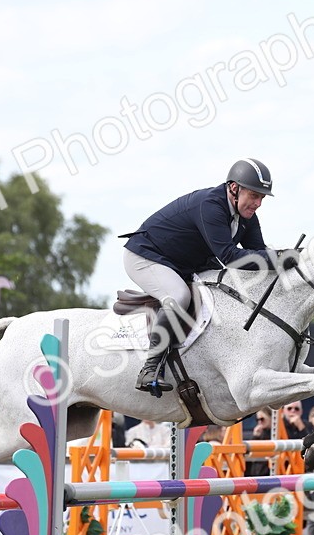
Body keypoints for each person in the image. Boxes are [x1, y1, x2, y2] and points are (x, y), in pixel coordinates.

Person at [121, 158, 293, 394]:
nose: (258, 203)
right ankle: (150, 369)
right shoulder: (211, 205)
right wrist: (279, 258)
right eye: (254, 195)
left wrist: (287, 257)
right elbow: (230, 257)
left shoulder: (247, 217)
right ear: (234, 188)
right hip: (146, 257)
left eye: (262, 197)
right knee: (179, 295)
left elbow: (259, 254)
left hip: (181, 263)